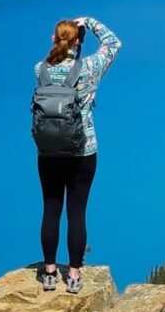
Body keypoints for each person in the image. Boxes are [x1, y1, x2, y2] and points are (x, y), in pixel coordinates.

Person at [33, 15, 122, 294]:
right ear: (78, 41)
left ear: (53, 39)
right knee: (77, 212)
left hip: (48, 151)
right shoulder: (89, 68)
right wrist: (91, 22)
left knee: (51, 208)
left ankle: (49, 273)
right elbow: (114, 43)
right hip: (83, 151)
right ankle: (72, 275)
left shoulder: (40, 70)